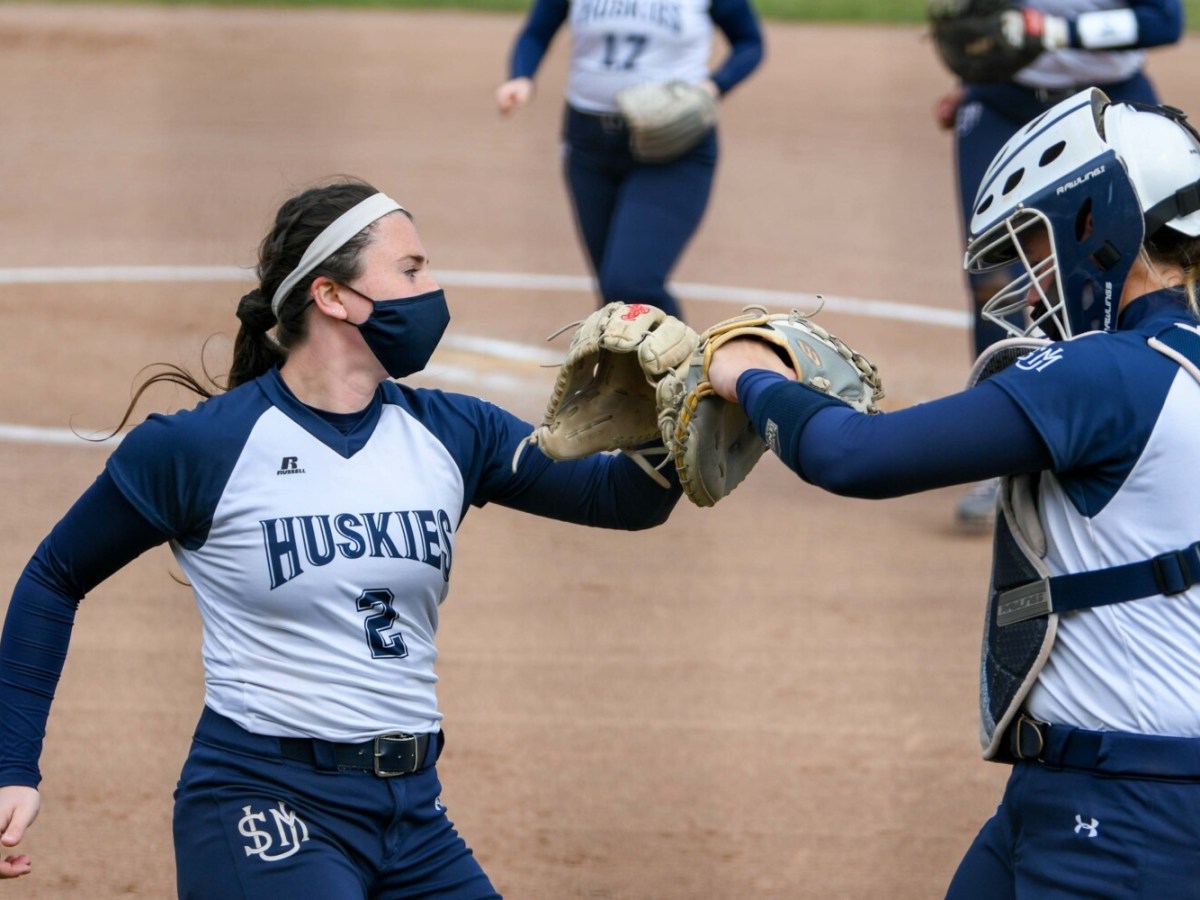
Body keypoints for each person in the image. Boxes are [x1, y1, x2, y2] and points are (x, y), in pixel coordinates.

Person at [0, 178, 683, 895]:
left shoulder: (455, 432)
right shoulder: (203, 447)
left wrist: (678, 418)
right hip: (263, 805)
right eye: (411, 269)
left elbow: (622, 499)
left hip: (413, 814)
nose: (434, 288)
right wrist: (11, 766)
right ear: (331, 296)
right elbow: (55, 576)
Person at [708, 89, 1200, 895]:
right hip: (1083, 787)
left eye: (1039, 250)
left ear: (1097, 223)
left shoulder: (1107, 376)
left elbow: (858, 456)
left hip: (1124, 813)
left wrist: (747, 374)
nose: (1033, 284)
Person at [931, 0, 1183, 530]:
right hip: (1005, 106)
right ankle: (997, 450)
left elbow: (1164, 21)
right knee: (993, 281)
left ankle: (1127, 434)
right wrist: (975, 73)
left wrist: (1057, 30)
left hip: (1107, 107)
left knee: (1126, 271)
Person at [494, 0, 765, 322]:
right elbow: (536, 32)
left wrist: (715, 85)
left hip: (674, 150)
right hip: (589, 147)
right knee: (615, 297)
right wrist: (522, 76)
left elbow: (750, 42)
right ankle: (634, 370)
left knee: (631, 282)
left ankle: (685, 366)